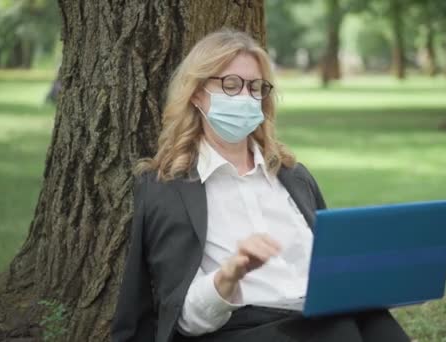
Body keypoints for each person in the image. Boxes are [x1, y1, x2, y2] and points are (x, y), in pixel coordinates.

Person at [111, 29, 410, 342]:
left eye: (255, 87)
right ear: (196, 93)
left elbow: (329, 265)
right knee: (339, 333)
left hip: (323, 313)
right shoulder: (168, 189)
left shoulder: (293, 176)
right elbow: (185, 320)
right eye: (230, 84)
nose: (245, 96)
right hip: (246, 328)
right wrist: (230, 275)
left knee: (378, 325)